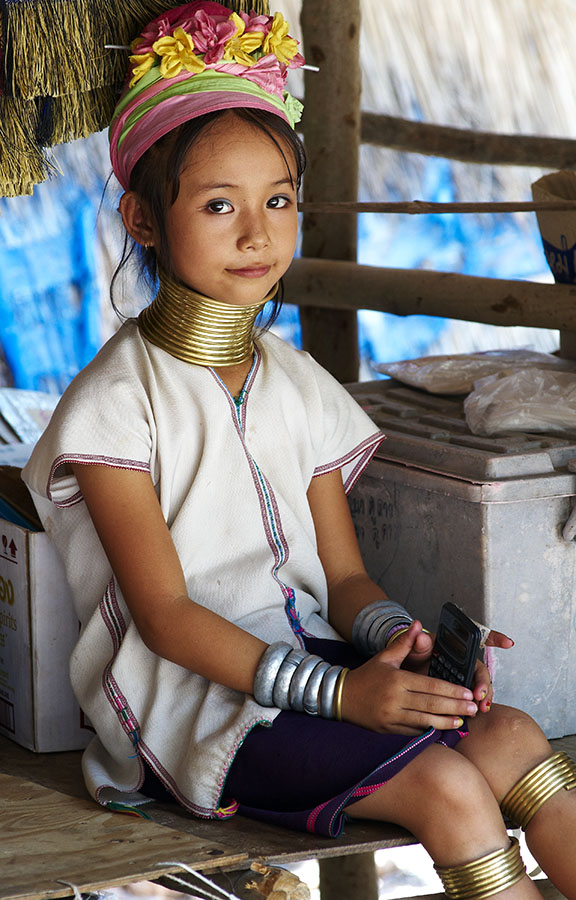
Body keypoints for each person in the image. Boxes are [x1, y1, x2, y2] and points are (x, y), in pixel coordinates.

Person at [22, 3, 576, 898]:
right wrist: (347, 697)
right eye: (218, 205)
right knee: (446, 788)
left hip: (315, 662)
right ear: (143, 217)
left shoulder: (297, 381)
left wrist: (407, 644)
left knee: (512, 737)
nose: (258, 233)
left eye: (277, 200)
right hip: (196, 708)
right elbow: (164, 615)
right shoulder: (113, 408)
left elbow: (345, 580)